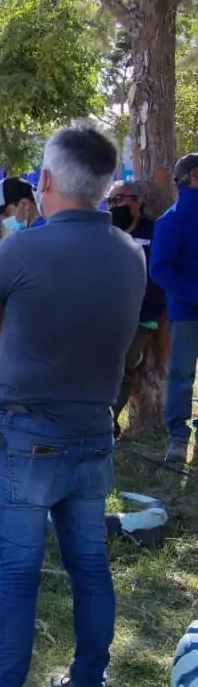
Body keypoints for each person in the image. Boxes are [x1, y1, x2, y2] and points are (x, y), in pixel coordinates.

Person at [0, 126, 145, 687]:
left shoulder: (22, 250)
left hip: (24, 437)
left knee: (17, 574)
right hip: (93, 431)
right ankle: (88, 686)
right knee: (90, 565)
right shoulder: (131, 254)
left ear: (46, 182)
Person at [106, 180, 165, 439]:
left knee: (121, 369)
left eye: (119, 200)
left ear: (137, 201)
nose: (113, 206)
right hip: (105, 316)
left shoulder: (154, 232)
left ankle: (104, 426)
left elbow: (157, 277)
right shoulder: (106, 234)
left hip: (141, 316)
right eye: (109, 201)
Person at [149, 153, 198, 462]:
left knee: (180, 375)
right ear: (195, 175)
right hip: (186, 312)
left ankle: (179, 439)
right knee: (181, 375)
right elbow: (160, 269)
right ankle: (178, 440)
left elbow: (160, 268)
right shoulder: (175, 217)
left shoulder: (171, 218)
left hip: (185, 311)